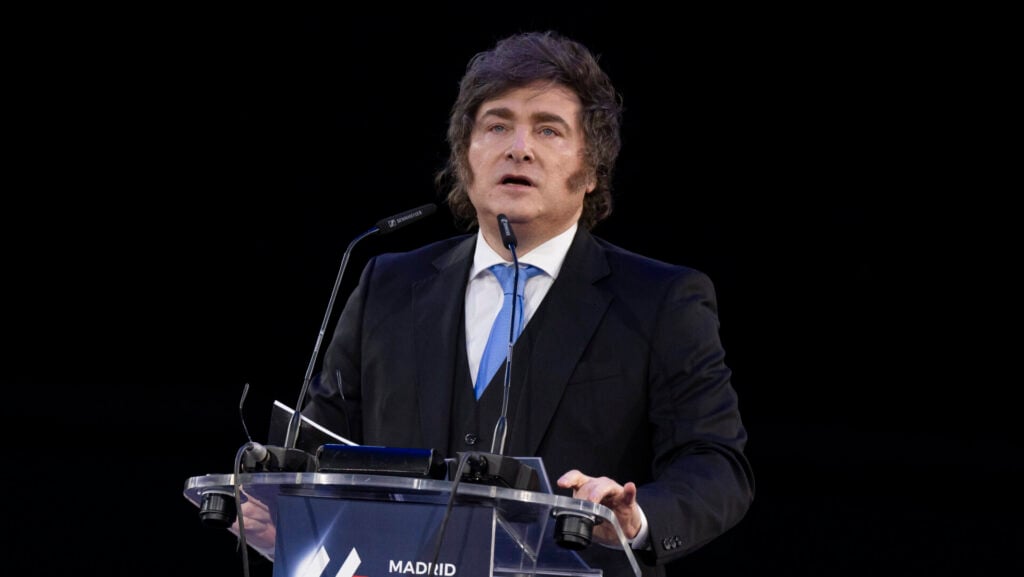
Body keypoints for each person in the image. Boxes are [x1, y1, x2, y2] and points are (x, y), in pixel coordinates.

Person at [249, 30, 754, 577]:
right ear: (465, 158)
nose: (519, 148)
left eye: (548, 130)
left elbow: (716, 467)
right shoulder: (387, 285)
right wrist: (279, 512)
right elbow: (320, 451)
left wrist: (633, 520)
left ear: (590, 170)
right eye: (497, 126)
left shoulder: (659, 300)